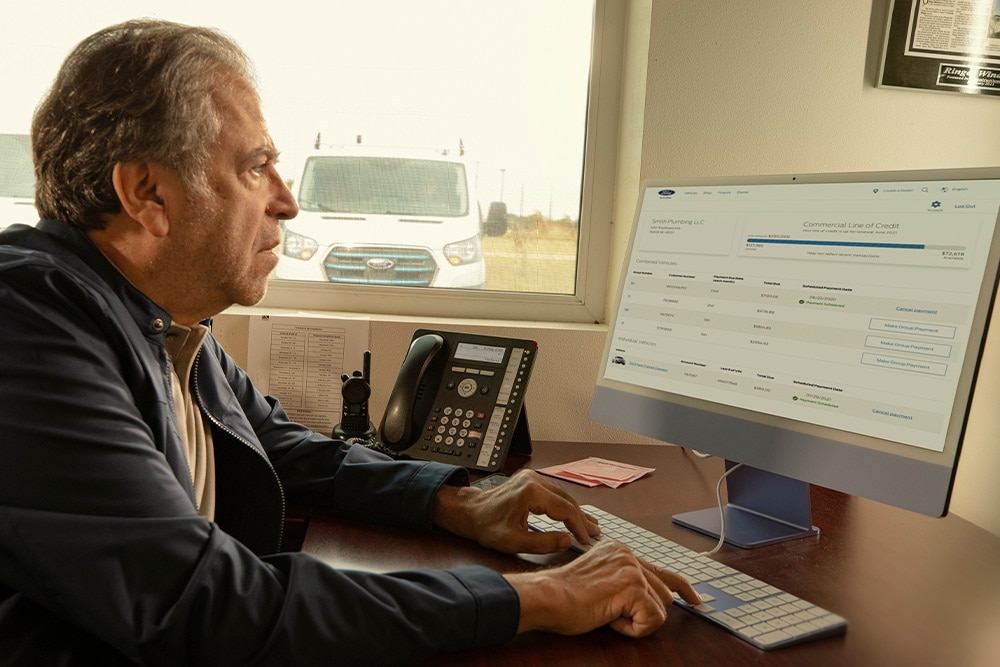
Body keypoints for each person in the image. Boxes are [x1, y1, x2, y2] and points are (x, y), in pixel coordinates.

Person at [0, 19, 699, 665]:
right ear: (147, 193)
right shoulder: (29, 326)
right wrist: (539, 596)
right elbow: (199, 599)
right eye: (255, 166)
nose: (287, 199)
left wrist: (452, 498)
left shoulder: (160, 318)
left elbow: (280, 446)